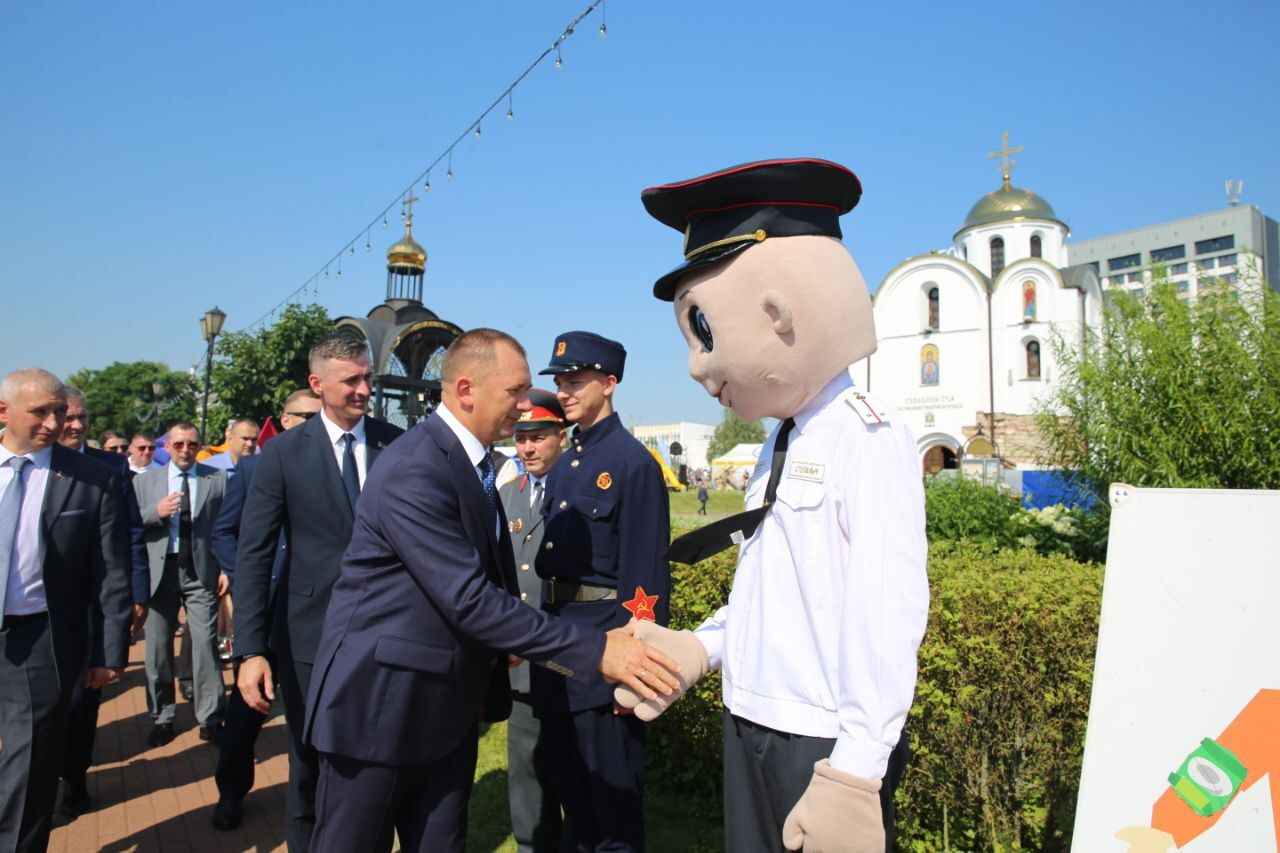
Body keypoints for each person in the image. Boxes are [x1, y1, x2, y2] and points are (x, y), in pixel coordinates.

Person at [618, 157, 929, 853]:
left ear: (781, 313)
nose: (699, 366)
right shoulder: (779, 441)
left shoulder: (866, 436)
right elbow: (772, 588)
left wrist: (856, 768)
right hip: (751, 718)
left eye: (705, 332)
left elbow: (889, 611)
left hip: (819, 739)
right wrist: (700, 646)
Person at [302, 328, 681, 853]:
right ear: (465, 391)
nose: (527, 405)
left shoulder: (474, 465)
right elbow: (470, 599)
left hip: (442, 711)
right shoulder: (417, 467)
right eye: (515, 392)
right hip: (380, 711)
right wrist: (598, 651)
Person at [234, 334, 404, 853]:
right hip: (310, 636)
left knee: (377, 763)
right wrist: (250, 650)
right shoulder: (283, 455)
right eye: (351, 380)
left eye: (367, 378)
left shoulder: (396, 444)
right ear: (317, 384)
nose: (363, 389)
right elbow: (255, 554)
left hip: (388, 634)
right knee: (308, 763)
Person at [533, 330, 672, 853]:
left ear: (609, 383)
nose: (564, 390)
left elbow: (646, 582)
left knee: (610, 804)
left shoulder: (632, 464)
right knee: (570, 792)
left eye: (576, 380)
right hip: (560, 646)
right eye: (561, 381)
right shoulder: (570, 460)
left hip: (607, 654)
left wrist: (637, 669)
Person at [0, 368, 131, 853]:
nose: (54, 423)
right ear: (4, 413)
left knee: (30, 761)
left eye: (59, 411)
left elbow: (110, 574)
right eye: (41, 412)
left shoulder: (91, 480)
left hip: (39, 638)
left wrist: (108, 651)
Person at [207, 389, 322, 831]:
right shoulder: (255, 467)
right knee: (247, 711)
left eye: (319, 416)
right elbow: (225, 532)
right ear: (285, 420)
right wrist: (248, 578)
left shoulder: (336, 468)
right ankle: (231, 792)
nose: (312, 424)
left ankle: (309, 803)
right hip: (268, 611)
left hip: (312, 612)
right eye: (303, 416)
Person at [52, 388, 150, 822]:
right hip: (34, 612)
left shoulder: (109, 469)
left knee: (82, 702)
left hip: (90, 606)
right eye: (67, 417)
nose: (75, 425)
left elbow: (130, 536)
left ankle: (72, 780)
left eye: (82, 417)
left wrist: (137, 594)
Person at [498, 389, 567, 853]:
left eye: (538, 437)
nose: (527, 448)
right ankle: (531, 844)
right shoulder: (507, 495)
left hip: (570, 655)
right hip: (521, 661)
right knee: (525, 766)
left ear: (561, 437)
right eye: (521, 438)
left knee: (579, 765)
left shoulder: (577, 490)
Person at [133, 422, 228, 746]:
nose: (186, 450)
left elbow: (227, 526)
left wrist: (226, 568)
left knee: (205, 645)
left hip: (200, 571)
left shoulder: (215, 479)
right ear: (168, 447)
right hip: (161, 572)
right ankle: (162, 716)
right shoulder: (146, 482)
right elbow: (129, 524)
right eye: (179, 445)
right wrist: (155, 513)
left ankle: (211, 716)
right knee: (157, 651)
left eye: (192, 444)